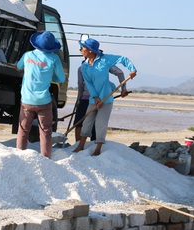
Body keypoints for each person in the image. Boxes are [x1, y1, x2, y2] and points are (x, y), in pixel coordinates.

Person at [73, 38, 136, 156]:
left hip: (106, 98)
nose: (81, 50)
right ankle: (80, 145)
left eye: (83, 48)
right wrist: (96, 97)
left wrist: (132, 69)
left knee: (100, 124)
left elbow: (123, 59)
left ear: (91, 51)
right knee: (86, 122)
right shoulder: (84, 67)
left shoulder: (105, 59)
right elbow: (89, 84)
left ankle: (98, 148)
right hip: (93, 99)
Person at [16, 31, 66, 159]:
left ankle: (19, 156)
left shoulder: (28, 55)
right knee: (45, 132)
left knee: (23, 130)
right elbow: (61, 78)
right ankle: (46, 158)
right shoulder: (54, 58)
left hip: (27, 100)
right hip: (43, 101)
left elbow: (18, 66)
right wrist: (51, 76)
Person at [74, 61, 129, 142]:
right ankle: (79, 146)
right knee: (79, 124)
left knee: (93, 125)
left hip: (99, 100)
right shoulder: (82, 68)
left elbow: (120, 73)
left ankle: (92, 146)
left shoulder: (104, 64)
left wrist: (123, 89)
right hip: (87, 99)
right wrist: (78, 101)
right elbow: (80, 85)